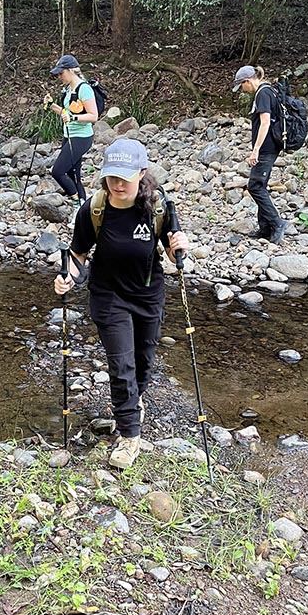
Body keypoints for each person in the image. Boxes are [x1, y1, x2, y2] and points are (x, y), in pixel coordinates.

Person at [54, 139, 189, 470]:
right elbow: (78, 254)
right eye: (111, 176)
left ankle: (133, 402)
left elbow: (173, 255)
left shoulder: (158, 207)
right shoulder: (94, 208)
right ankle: (129, 435)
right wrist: (67, 276)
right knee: (122, 365)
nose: (117, 184)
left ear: (142, 174)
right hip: (108, 295)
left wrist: (180, 248)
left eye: (125, 177)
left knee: (143, 362)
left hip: (147, 294)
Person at [232, 64, 290, 244]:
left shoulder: (263, 93)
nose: (242, 90)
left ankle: (277, 223)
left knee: (255, 187)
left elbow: (265, 123)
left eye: (241, 86)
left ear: (247, 81)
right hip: (271, 145)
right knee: (261, 185)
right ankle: (264, 228)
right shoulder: (268, 90)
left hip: (266, 148)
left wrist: (255, 150)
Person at [44, 54, 98, 209]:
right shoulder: (68, 89)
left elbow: (93, 116)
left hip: (81, 138)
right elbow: (65, 112)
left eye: (61, 73)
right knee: (74, 174)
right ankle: (82, 208)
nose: (59, 76)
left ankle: (77, 202)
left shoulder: (84, 89)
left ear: (71, 70)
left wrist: (73, 118)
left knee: (58, 171)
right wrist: (52, 105)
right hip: (69, 136)